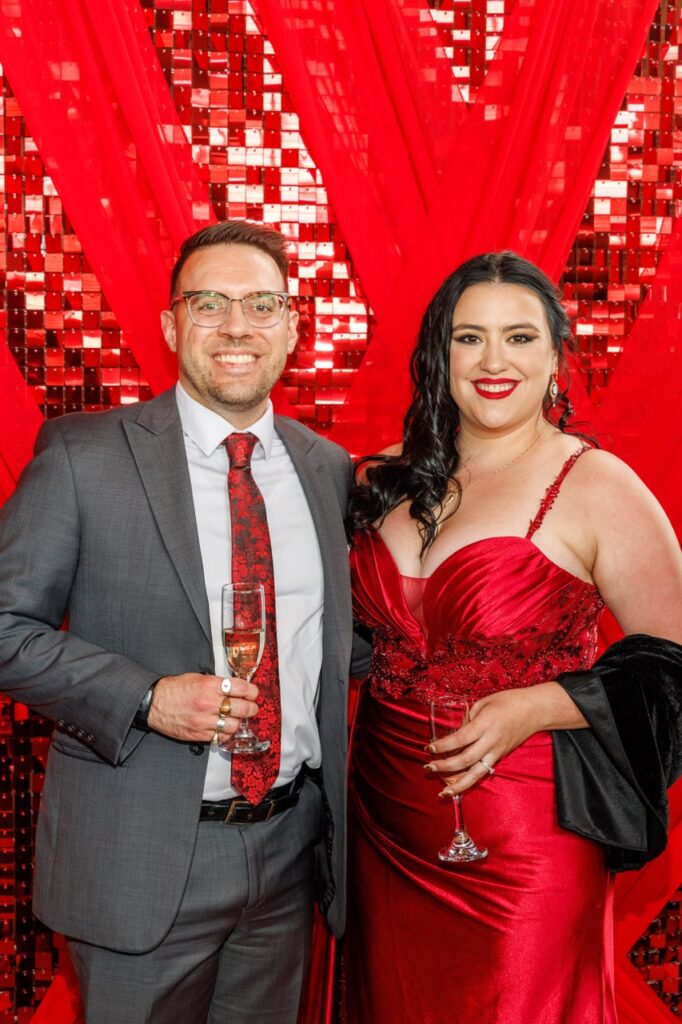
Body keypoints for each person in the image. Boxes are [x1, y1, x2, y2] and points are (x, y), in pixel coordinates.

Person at [0, 220, 368, 1024]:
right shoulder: (82, 457)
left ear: (292, 327)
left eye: (261, 305)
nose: (237, 326)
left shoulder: (328, 470)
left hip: (288, 853)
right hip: (140, 856)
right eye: (210, 303)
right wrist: (145, 697)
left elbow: (348, 651)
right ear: (172, 326)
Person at [342, 251, 682, 1023]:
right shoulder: (380, 480)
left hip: (526, 843)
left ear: (557, 358)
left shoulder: (596, 485)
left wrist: (543, 704)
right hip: (382, 827)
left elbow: (675, 663)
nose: (495, 361)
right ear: (439, 354)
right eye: (470, 338)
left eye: (520, 338)